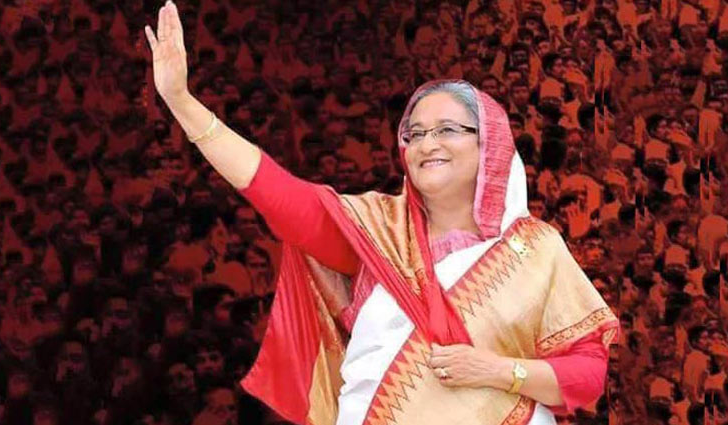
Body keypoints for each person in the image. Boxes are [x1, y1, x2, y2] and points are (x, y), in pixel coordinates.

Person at [145, 2, 619, 425]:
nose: (427, 144)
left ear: (488, 143)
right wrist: (183, 104)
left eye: (447, 129)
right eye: (414, 134)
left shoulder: (534, 248)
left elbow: (588, 373)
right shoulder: (377, 233)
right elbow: (276, 193)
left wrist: (497, 370)